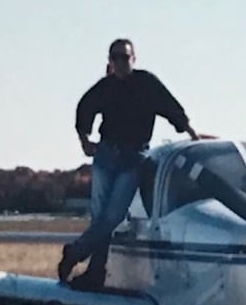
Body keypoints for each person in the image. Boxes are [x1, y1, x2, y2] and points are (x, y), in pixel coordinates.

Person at [58, 38, 199, 289]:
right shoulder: (105, 87)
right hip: (105, 156)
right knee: (100, 218)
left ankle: (75, 253)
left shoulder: (147, 84)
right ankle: (95, 274)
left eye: (125, 57)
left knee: (113, 217)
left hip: (133, 159)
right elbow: (85, 107)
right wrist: (84, 139)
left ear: (134, 59)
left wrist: (192, 133)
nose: (121, 62)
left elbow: (171, 108)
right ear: (109, 62)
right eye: (115, 58)